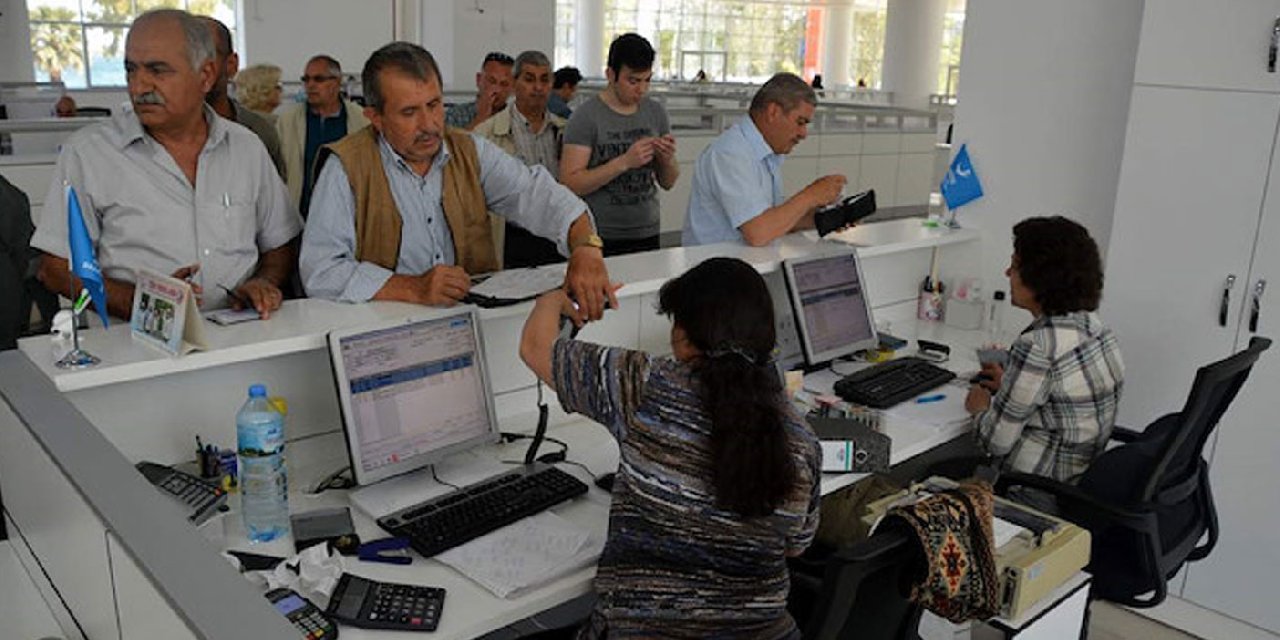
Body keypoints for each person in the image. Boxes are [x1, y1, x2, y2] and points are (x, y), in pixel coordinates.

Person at [519, 256, 821, 637]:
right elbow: (797, 545)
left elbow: (535, 348)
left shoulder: (644, 385)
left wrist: (550, 299)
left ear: (683, 334)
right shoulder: (800, 438)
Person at [300, 42, 615, 322]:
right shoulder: (346, 166)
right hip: (383, 337)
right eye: (409, 112)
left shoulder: (469, 150)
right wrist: (412, 287)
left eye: (434, 105)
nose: (429, 124)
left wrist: (586, 246)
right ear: (375, 117)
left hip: (465, 328)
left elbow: (536, 194)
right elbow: (321, 269)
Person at [30, 9, 301, 320]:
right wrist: (147, 305)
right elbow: (56, 268)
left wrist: (262, 283)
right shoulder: (90, 154)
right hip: (133, 350)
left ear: (206, 76)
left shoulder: (246, 148)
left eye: (158, 71)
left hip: (237, 338)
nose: (139, 87)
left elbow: (280, 241)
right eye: (131, 70)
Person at [965, 216, 1125, 483]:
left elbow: (994, 443)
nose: (1007, 273)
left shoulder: (1038, 346)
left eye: (1014, 266)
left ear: (1040, 279)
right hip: (1077, 482)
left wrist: (978, 407)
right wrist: (1010, 386)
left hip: (1033, 492)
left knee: (927, 476)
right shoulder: (1096, 329)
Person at [683, 72, 846, 247]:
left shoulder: (766, 154)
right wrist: (811, 195)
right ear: (773, 112)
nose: (803, 134)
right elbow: (759, 233)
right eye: (800, 122)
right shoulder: (730, 153)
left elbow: (772, 222)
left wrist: (823, 218)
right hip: (718, 270)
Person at [561, 33, 678, 256]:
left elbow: (669, 181)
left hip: (647, 230)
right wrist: (624, 162)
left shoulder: (655, 112)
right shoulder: (586, 117)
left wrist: (666, 159)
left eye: (647, 80)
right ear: (611, 74)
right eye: (633, 81)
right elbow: (570, 184)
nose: (641, 90)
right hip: (599, 233)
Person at [474, 50, 567, 268]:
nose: (538, 87)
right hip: (511, 236)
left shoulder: (564, 130)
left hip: (555, 231)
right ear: (515, 84)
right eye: (529, 79)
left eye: (545, 80)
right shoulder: (486, 133)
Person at [277, 54, 368, 216]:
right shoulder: (287, 122)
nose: (310, 85)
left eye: (318, 79)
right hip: (301, 216)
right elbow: (280, 172)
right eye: (306, 79)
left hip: (347, 215)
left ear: (337, 82)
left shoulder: (362, 120)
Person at [200, 16, 284, 177]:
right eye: (184, 56)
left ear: (231, 64)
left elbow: (273, 198)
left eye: (205, 54)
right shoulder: (160, 133)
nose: (194, 64)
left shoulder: (259, 132)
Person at [445, 52, 514, 131]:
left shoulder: (516, 120)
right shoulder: (454, 115)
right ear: (478, 80)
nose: (497, 89)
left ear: (513, 89)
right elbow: (451, 143)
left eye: (504, 84)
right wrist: (480, 118)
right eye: (492, 81)